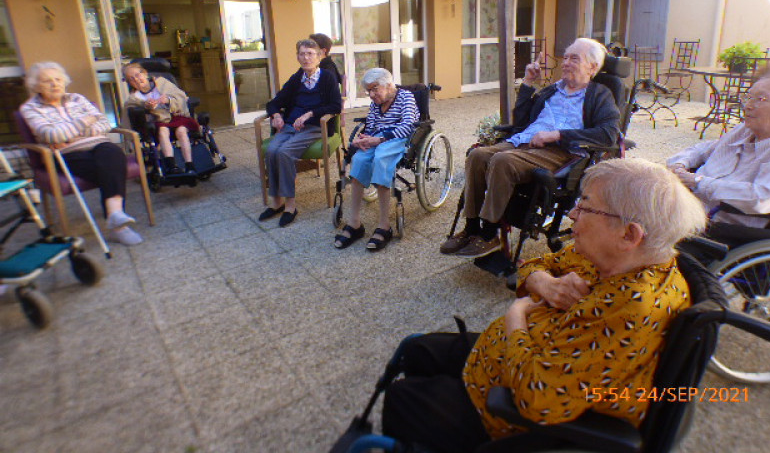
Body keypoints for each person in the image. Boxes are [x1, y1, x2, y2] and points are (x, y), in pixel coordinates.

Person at [381, 158, 707, 453]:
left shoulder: (631, 306)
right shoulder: (609, 257)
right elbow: (534, 263)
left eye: (586, 207)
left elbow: (537, 399)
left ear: (629, 234)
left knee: (403, 397)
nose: (571, 214)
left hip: (510, 415)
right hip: (522, 353)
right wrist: (543, 282)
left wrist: (516, 317)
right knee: (419, 351)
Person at [441, 37, 620, 258]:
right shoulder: (552, 90)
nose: (565, 62)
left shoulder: (600, 95)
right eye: (565, 57)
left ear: (592, 67)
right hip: (524, 142)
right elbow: (520, 121)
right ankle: (471, 228)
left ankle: (489, 234)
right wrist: (527, 82)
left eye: (574, 58)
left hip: (560, 152)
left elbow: (608, 134)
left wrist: (557, 135)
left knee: (502, 161)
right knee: (478, 155)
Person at [20, 62, 143, 245]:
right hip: (65, 154)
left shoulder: (77, 99)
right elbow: (51, 135)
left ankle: (115, 215)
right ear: (36, 86)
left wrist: (70, 133)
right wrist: (86, 122)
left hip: (97, 145)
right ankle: (119, 225)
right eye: (47, 81)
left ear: (65, 81)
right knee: (110, 168)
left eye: (58, 79)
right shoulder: (30, 108)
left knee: (113, 153)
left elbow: (104, 124)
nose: (55, 84)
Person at [666, 62, 770, 228]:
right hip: (689, 208)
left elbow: (760, 197)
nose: (748, 106)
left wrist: (698, 181)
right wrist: (680, 164)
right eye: (748, 97)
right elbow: (703, 150)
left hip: (719, 225)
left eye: (761, 99)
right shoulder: (743, 130)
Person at [334, 68, 419, 251]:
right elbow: (371, 125)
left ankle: (384, 226)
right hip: (377, 138)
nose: (371, 95)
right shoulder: (376, 102)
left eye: (374, 89)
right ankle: (355, 223)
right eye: (368, 91)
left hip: (398, 139)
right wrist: (363, 139)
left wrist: (379, 139)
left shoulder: (406, 97)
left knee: (381, 159)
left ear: (388, 85)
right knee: (359, 159)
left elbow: (408, 126)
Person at [259, 39, 342, 227]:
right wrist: (276, 116)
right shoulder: (297, 78)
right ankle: (277, 203)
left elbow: (336, 106)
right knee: (272, 150)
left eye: (310, 54)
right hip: (289, 125)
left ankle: (290, 206)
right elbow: (274, 102)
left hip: (314, 126)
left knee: (284, 152)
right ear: (297, 57)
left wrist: (310, 114)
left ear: (319, 57)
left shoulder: (327, 77)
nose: (306, 58)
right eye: (302, 54)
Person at [122, 62, 200, 175]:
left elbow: (181, 96)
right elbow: (130, 114)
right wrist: (147, 108)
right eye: (131, 79)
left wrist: (168, 100)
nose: (136, 79)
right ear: (130, 83)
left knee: (181, 131)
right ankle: (171, 166)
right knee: (163, 131)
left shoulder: (162, 83)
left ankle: (189, 165)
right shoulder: (134, 98)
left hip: (177, 117)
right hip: (159, 123)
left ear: (144, 73)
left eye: (138, 75)